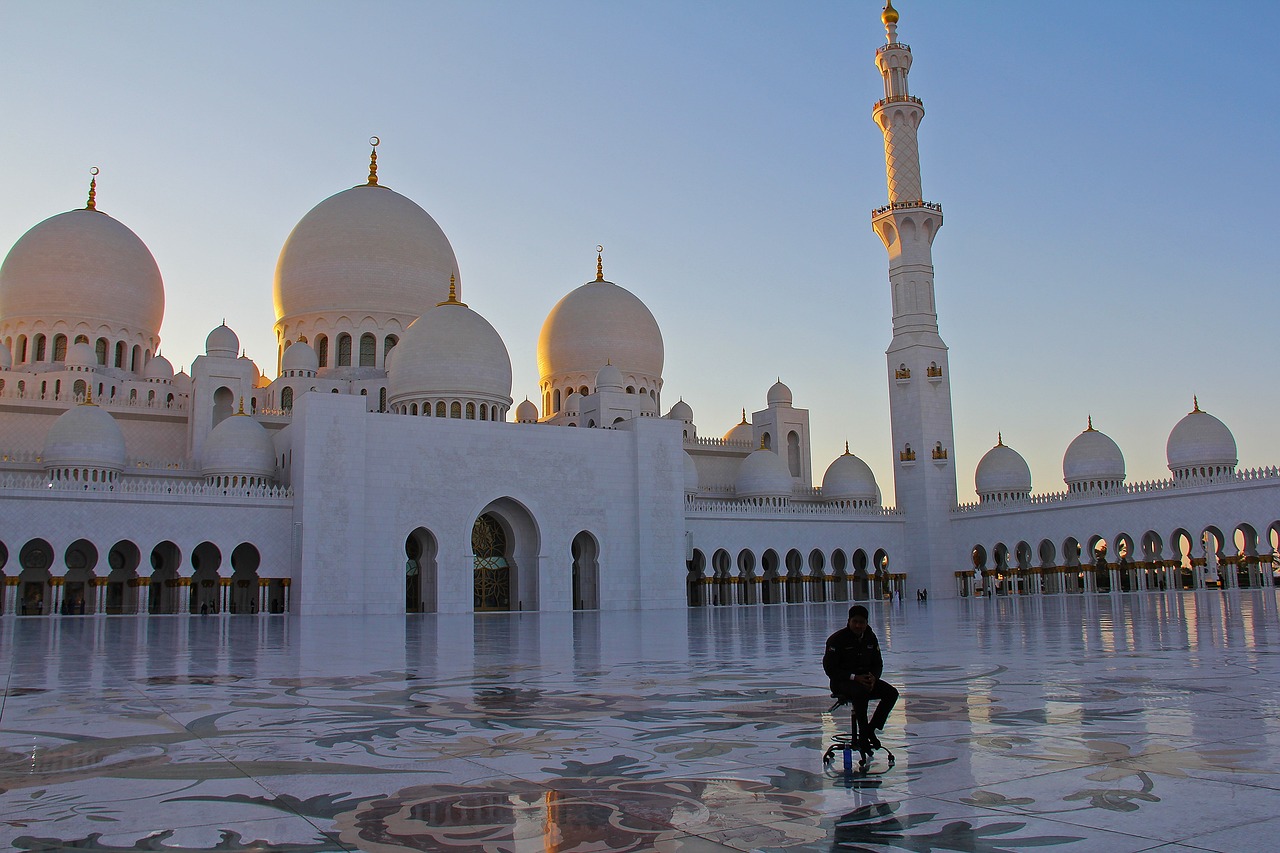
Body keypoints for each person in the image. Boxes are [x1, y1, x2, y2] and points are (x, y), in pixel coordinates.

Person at [823, 604, 899, 750]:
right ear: (849, 621)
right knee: (860, 692)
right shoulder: (837, 639)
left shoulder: (870, 637)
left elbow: (878, 663)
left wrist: (873, 678)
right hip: (842, 681)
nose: (858, 625)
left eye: (861, 622)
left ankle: (872, 728)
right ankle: (863, 735)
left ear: (866, 623)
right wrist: (854, 677)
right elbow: (830, 669)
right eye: (855, 622)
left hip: (865, 680)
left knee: (891, 693)